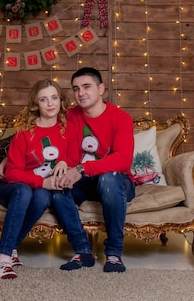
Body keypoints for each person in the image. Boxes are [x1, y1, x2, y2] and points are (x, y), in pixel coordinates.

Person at [0, 79, 78, 279]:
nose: (50, 104)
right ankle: (4, 257)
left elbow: (73, 157)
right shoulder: (24, 132)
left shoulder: (68, 129)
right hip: (9, 188)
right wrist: (43, 182)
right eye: (44, 99)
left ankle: (12, 247)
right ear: (35, 104)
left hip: (37, 191)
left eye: (54, 98)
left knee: (42, 197)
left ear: (61, 101)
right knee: (24, 190)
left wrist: (65, 162)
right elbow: (12, 173)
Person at [53, 67, 135, 273]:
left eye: (86, 86)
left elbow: (123, 160)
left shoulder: (121, 118)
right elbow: (46, 138)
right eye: (76, 88)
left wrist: (81, 168)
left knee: (108, 179)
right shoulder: (70, 116)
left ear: (101, 89)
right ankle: (83, 251)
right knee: (56, 187)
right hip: (85, 182)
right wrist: (64, 165)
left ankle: (114, 254)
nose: (81, 93)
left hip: (118, 182)